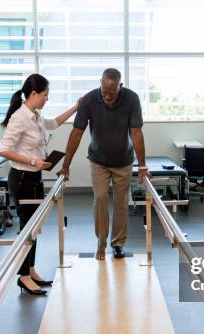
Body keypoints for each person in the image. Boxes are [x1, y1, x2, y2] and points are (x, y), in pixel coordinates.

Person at [0, 74, 79, 295]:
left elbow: (53, 123)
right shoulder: (19, 118)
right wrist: (34, 161)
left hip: (34, 177)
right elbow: (3, 149)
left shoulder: (35, 115)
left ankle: (31, 270)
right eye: (45, 95)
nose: (46, 99)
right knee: (26, 229)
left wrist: (75, 107)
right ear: (33, 94)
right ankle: (23, 276)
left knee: (34, 229)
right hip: (22, 178)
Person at [58, 68, 150, 261]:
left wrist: (142, 167)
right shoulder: (90, 100)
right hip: (98, 160)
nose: (107, 97)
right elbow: (76, 133)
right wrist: (66, 165)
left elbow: (137, 133)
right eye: (104, 92)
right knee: (100, 198)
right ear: (100, 82)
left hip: (123, 161)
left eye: (112, 93)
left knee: (120, 203)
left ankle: (117, 244)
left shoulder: (131, 99)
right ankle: (101, 242)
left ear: (120, 86)